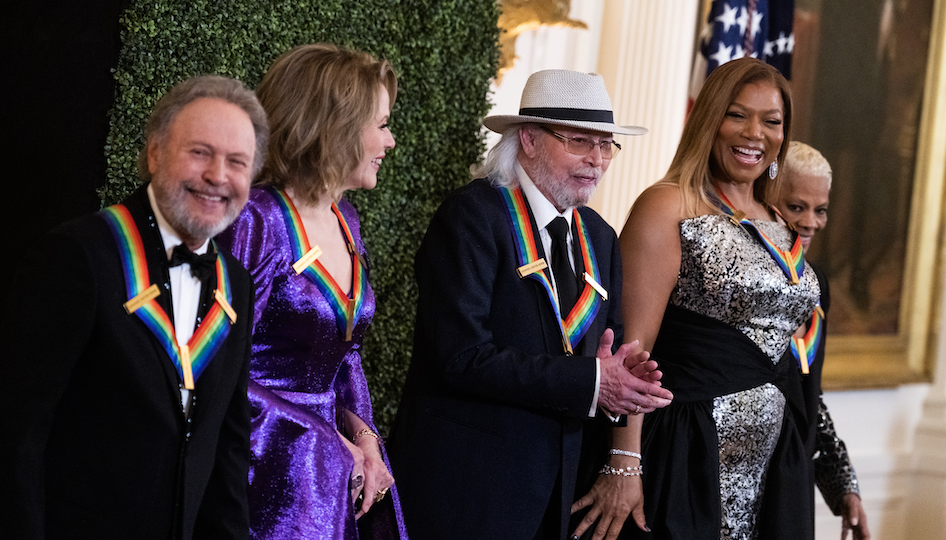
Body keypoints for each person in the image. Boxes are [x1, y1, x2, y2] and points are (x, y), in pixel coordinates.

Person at [387, 68, 674, 540]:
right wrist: (593, 381)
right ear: (529, 140)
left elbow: (605, 351)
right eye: (580, 141)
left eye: (606, 145)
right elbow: (460, 356)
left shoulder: (599, 236)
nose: (597, 160)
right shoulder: (471, 216)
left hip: (557, 499)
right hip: (465, 495)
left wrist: (623, 383)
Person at [0, 75, 268, 539]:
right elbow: (16, 432)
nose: (218, 175)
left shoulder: (236, 283)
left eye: (236, 161)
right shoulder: (78, 256)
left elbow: (228, 451)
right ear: (155, 153)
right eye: (200, 152)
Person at [583, 57, 820, 540]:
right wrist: (624, 460)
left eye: (771, 121)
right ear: (709, 119)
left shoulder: (777, 219)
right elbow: (631, 348)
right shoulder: (666, 204)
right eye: (737, 115)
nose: (754, 133)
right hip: (685, 450)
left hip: (773, 461)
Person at [215, 43, 407, 540]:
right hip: (258, 465)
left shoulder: (347, 219)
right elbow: (216, 367)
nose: (390, 142)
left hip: (333, 468)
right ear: (336, 126)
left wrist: (365, 438)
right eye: (382, 125)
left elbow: (346, 356)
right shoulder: (255, 221)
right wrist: (322, 439)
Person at [778, 141, 870, 540]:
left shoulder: (818, 287)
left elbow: (808, 396)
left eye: (821, 210)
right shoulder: (741, 284)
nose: (811, 222)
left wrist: (842, 482)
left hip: (792, 480)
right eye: (796, 207)